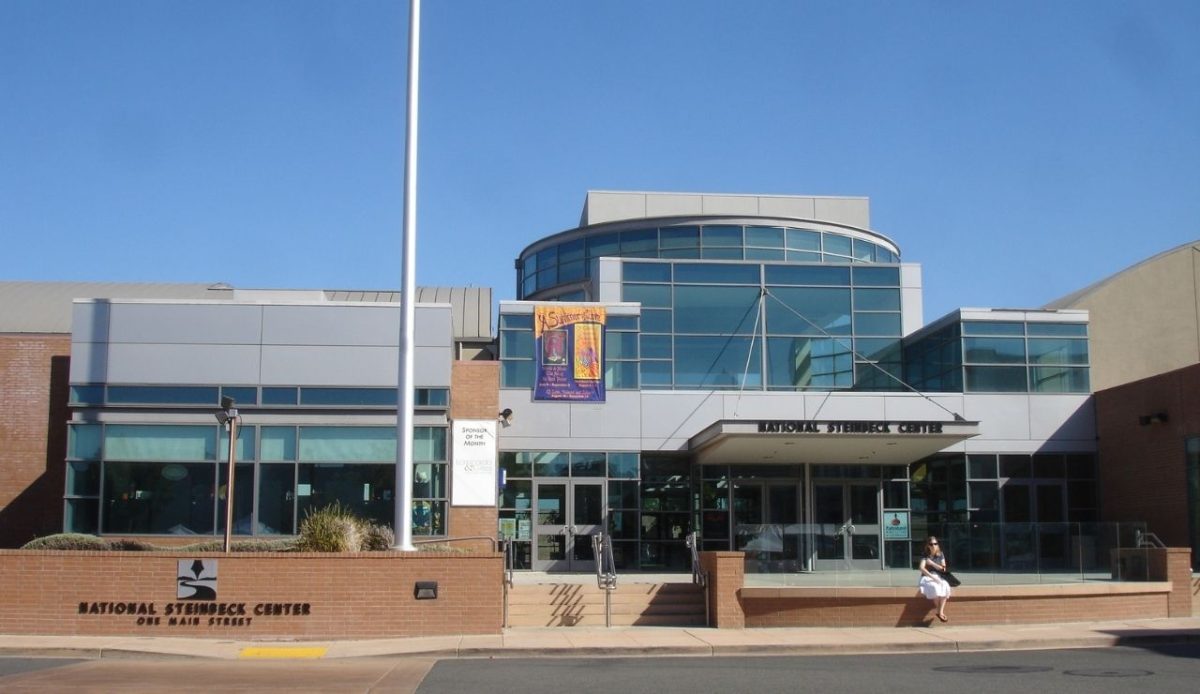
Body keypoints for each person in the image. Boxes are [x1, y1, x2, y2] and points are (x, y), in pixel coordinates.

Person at [918, 536, 951, 622]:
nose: (933, 546)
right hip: (927, 577)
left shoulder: (940, 554)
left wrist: (932, 563)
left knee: (945, 586)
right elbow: (921, 568)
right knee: (934, 588)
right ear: (928, 545)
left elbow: (944, 568)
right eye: (931, 544)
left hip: (939, 576)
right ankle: (939, 612)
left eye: (935, 544)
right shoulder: (925, 555)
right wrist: (932, 577)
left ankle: (940, 612)